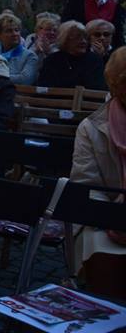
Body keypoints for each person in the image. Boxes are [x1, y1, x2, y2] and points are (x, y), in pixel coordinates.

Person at [70, 47, 126, 300]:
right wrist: (113, 222)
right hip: (107, 219)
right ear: (116, 87)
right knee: (101, 251)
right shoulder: (92, 128)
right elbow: (85, 186)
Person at [37, 20, 107, 91]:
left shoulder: (94, 60)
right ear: (65, 39)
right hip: (54, 101)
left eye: (85, 37)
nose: (83, 41)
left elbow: (98, 88)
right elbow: (43, 88)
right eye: (77, 37)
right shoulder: (51, 60)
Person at [0, 13, 38, 85]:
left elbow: (25, 80)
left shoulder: (30, 56)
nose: (15, 34)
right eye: (9, 31)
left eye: (16, 30)